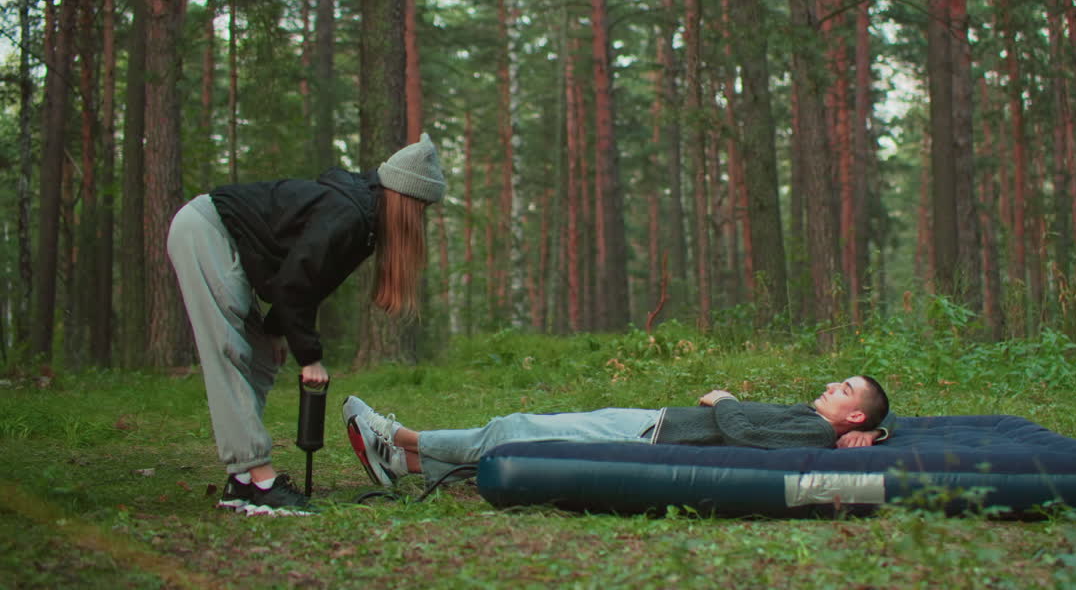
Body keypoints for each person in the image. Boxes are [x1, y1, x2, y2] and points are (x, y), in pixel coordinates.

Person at [167, 133, 445, 514]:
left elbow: (305, 279)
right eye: (422, 208)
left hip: (224, 241)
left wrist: (279, 331)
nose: (421, 219)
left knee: (262, 357)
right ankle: (260, 479)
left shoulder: (362, 220)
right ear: (406, 199)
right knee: (229, 353)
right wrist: (309, 357)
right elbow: (294, 283)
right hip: (206, 231)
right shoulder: (349, 213)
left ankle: (241, 484)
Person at [342, 375, 891, 488]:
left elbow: (745, 436)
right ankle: (403, 465)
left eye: (843, 389)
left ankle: (400, 436)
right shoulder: (818, 423)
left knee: (516, 428)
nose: (830, 386)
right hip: (652, 423)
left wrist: (726, 400)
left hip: (653, 439)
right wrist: (881, 438)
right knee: (525, 434)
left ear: (856, 416)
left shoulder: (816, 434)